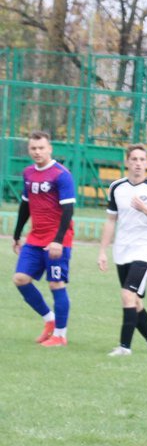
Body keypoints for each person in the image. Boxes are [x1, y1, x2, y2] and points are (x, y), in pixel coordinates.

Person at [98, 144, 147, 355]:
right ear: (127, 162)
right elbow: (111, 220)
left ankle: (124, 347)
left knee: (127, 295)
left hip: (146, 250)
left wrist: (146, 209)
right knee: (134, 300)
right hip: (122, 250)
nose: (138, 163)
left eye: (142, 160)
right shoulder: (117, 187)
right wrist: (102, 251)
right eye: (134, 159)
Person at [11, 131, 76, 347]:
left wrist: (58, 240)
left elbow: (68, 210)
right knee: (20, 278)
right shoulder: (28, 173)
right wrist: (17, 234)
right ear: (29, 150)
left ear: (50, 149)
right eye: (33, 148)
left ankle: (60, 335)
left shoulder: (61, 174)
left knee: (55, 284)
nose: (37, 152)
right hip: (35, 238)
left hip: (58, 239)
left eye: (41, 148)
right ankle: (50, 321)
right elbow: (25, 205)